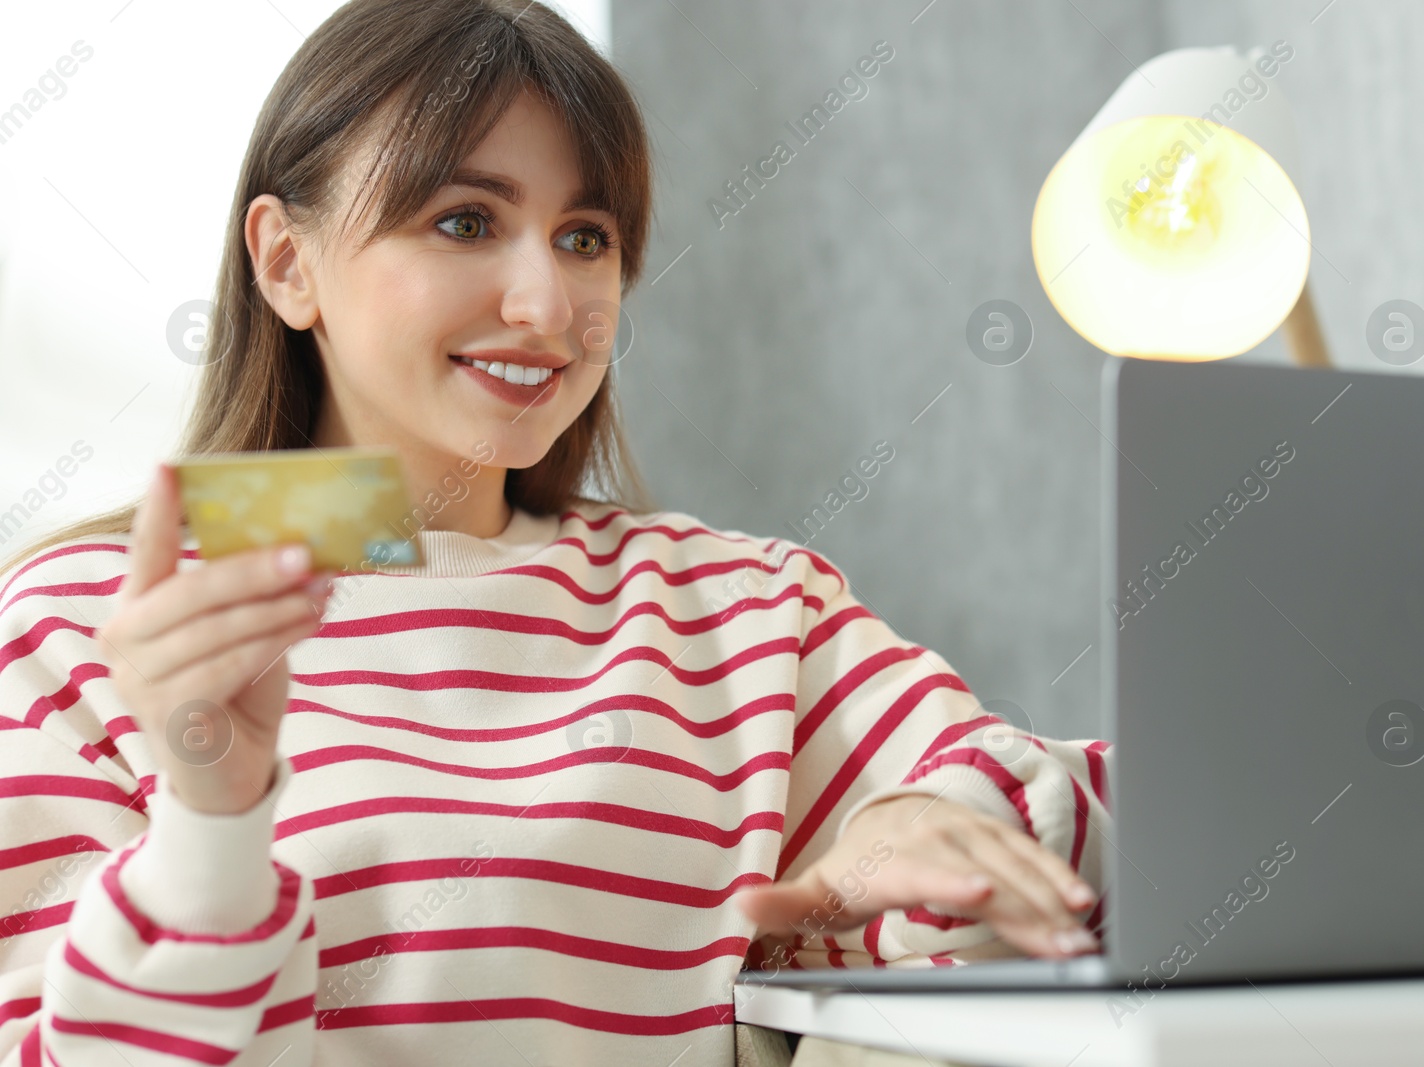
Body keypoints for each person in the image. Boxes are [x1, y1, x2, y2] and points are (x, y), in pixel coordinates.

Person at [0, 1, 1113, 1063]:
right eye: (466, 220)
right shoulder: (85, 624)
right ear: (287, 262)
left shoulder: (741, 607)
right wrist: (211, 828)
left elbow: (1122, 814)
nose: (548, 303)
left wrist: (948, 819)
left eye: (585, 236)